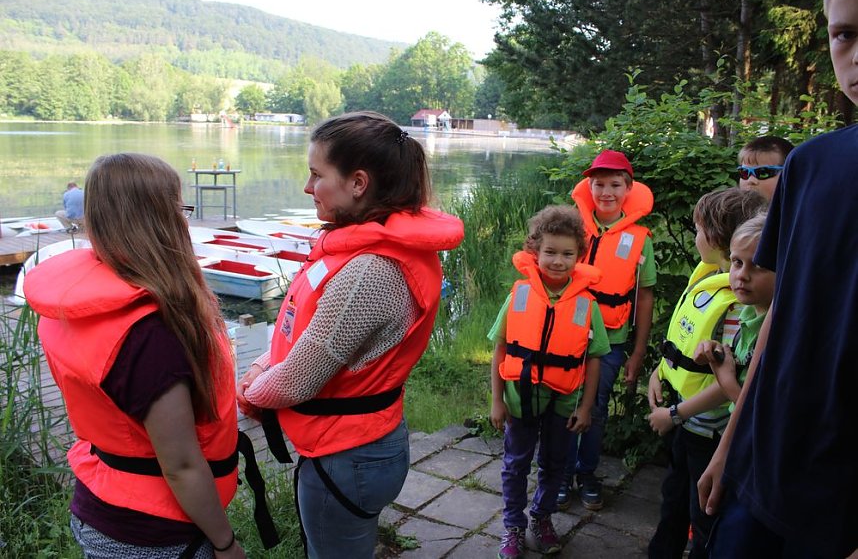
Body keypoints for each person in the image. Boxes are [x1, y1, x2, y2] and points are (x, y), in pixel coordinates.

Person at [236, 111, 464, 559]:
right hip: (360, 445)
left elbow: (296, 381)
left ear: (358, 183)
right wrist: (264, 362)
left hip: (347, 455)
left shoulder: (370, 272)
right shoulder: (372, 251)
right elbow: (300, 338)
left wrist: (246, 394)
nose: (307, 187)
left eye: (317, 174)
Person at [698, 0, 858, 556]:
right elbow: (779, 315)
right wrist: (728, 449)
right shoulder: (811, 165)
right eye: (844, 35)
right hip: (769, 457)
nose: (856, 56)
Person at [24, 154, 246, 558]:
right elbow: (180, 465)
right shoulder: (150, 336)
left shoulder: (72, 305)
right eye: (179, 208)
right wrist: (225, 543)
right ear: (160, 219)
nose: (184, 220)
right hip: (152, 533)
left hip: (98, 503)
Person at [646, 187, 767, 559]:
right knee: (673, 504)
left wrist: (674, 413)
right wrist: (658, 373)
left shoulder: (737, 305)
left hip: (707, 430)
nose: (695, 237)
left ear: (715, 236)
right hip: (687, 425)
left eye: (698, 230)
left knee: (703, 519)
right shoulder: (711, 278)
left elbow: (732, 379)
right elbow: (684, 344)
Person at [489, 204, 610, 558]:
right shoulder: (519, 296)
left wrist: (587, 407)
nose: (558, 261)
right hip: (520, 398)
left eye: (567, 254)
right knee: (515, 464)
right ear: (535, 251)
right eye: (550, 252)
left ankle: (542, 517)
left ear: (579, 255)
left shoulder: (587, 305)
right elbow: (499, 349)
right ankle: (513, 525)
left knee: (556, 464)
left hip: (565, 401)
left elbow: (595, 358)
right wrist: (497, 401)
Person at [559, 149, 656, 511]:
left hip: (610, 342)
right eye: (598, 184)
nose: (606, 192)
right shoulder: (571, 226)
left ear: (628, 189)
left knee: (595, 408)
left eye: (615, 184)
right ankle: (560, 473)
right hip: (566, 336)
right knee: (564, 403)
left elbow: (644, 296)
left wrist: (639, 351)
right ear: (589, 186)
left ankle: (586, 473)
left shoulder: (640, 239)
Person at [696, 214, 774, 410]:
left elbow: (763, 414)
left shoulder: (779, 334)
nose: (742, 275)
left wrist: (727, 382)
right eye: (737, 262)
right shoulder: (748, 314)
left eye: (758, 266)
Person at [736, 136, 794, 201]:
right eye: (744, 172)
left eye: (763, 172)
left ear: (789, 174)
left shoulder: (803, 210)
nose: (750, 180)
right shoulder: (728, 209)